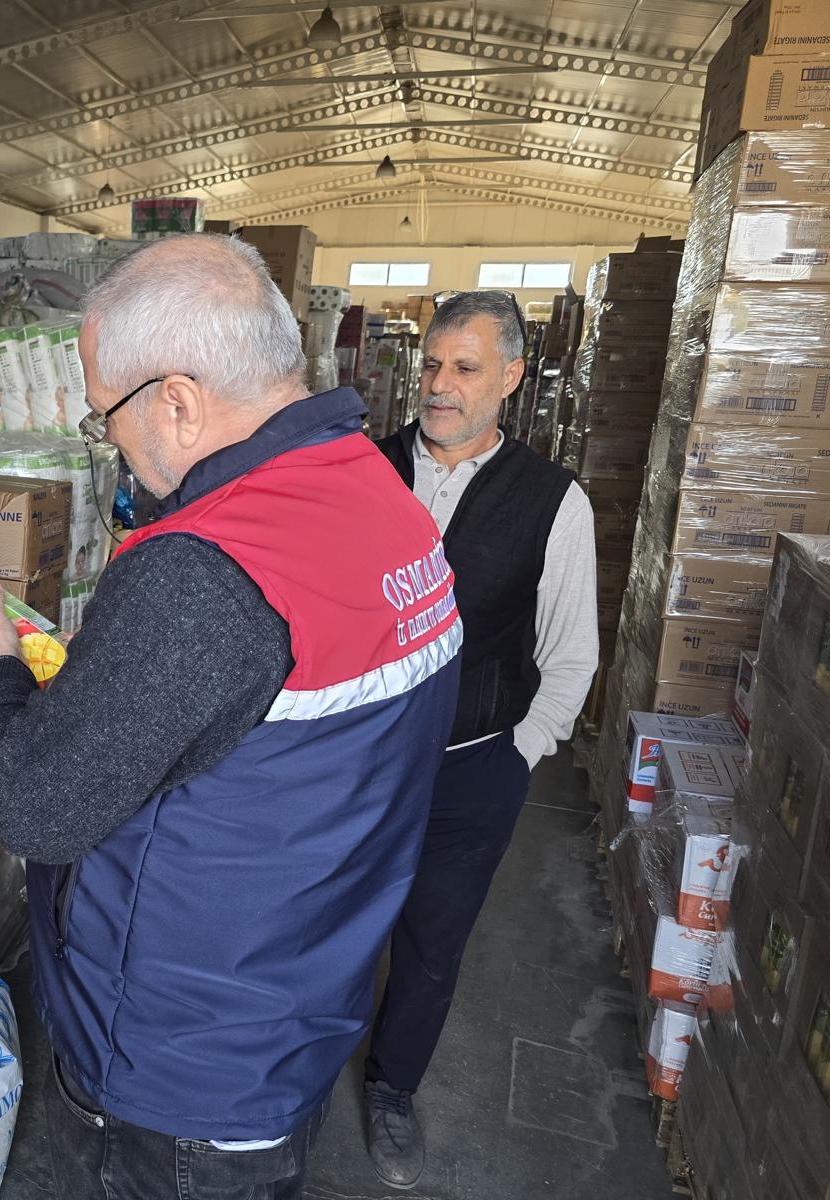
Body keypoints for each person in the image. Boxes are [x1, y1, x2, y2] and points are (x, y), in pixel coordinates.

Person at [0, 234, 464, 1200]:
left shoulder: (204, 570)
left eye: (108, 421)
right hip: (299, 1003)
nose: (116, 450)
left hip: (178, 1074)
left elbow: (36, 806)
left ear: (176, 402)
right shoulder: (376, 495)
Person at [365, 291, 597, 1189]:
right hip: (358, 759)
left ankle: (392, 1089)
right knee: (328, 921)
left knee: (432, 940)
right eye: (430, 365)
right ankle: (294, 1078)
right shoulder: (364, 470)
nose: (439, 386)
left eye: (465, 368)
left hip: (472, 768)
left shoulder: (551, 502)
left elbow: (572, 652)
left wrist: (519, 753)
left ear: (510, 377)